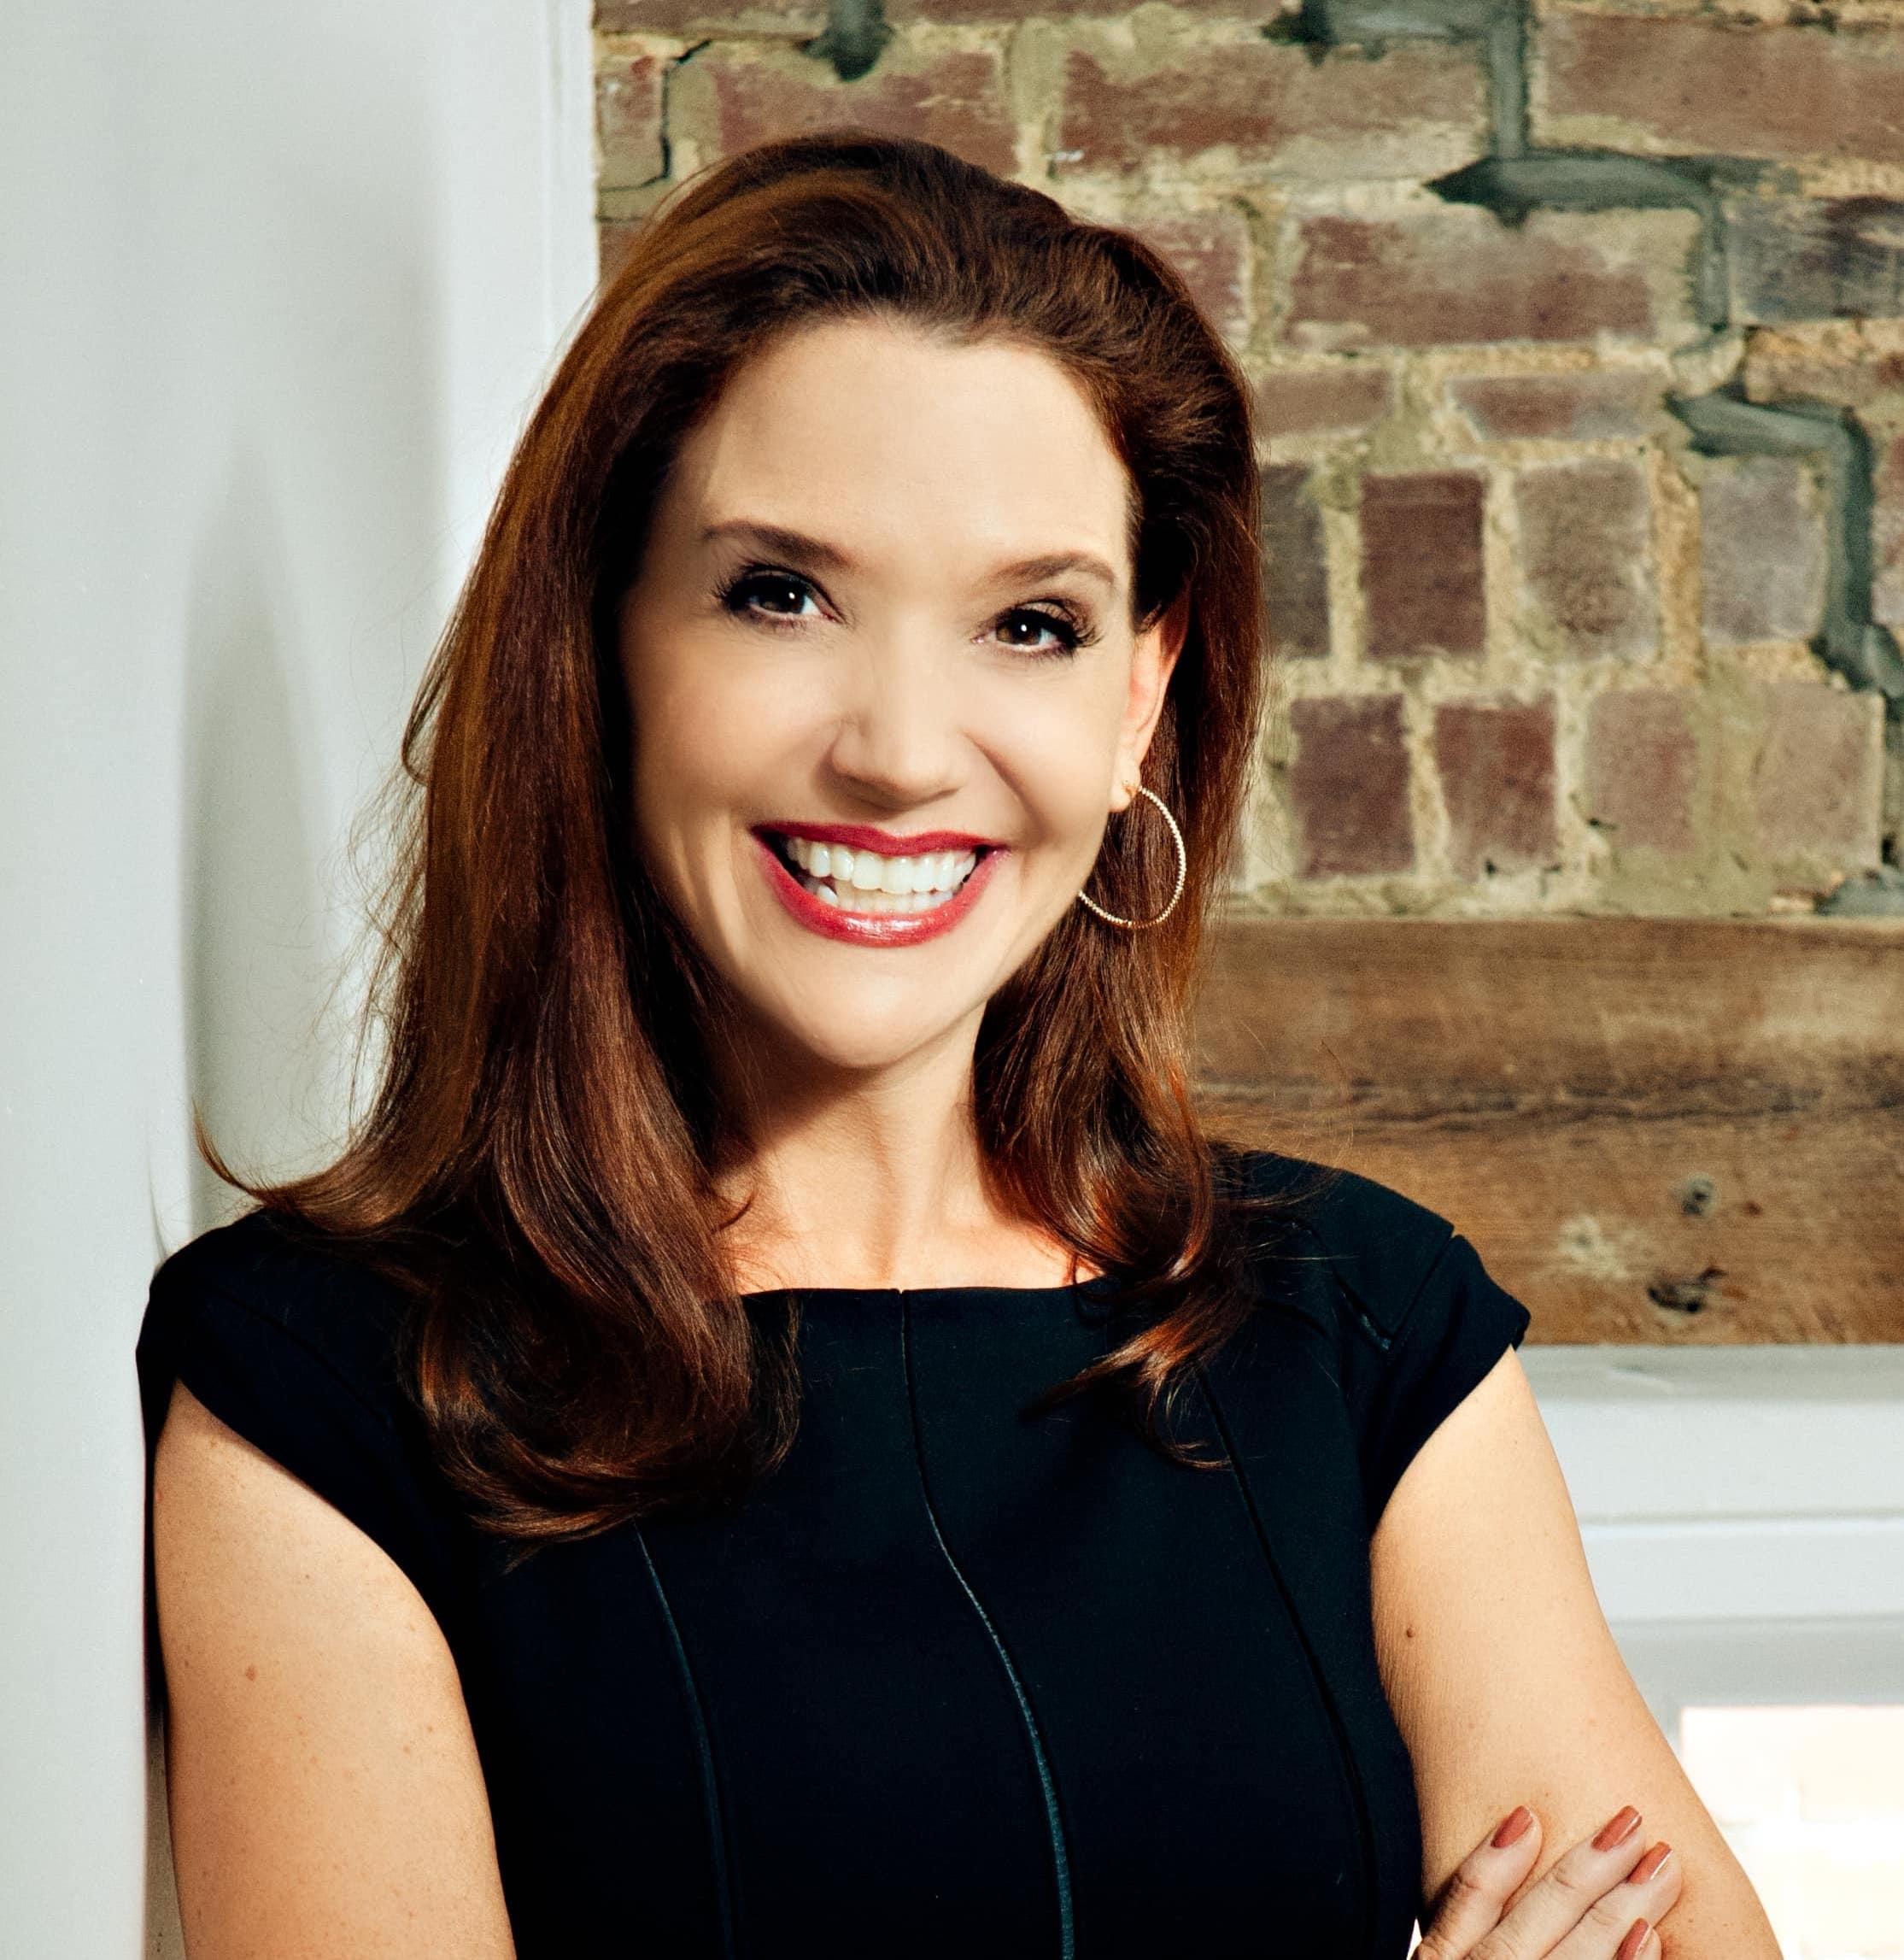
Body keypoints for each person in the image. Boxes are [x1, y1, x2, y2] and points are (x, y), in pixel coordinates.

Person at [136, 132, 1778, 1959]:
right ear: (601, 643)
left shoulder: (1364, 1331)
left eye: (1028, 624)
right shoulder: (320, 1395)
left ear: (1139, 695)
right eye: (781, 592)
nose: (904, 751)